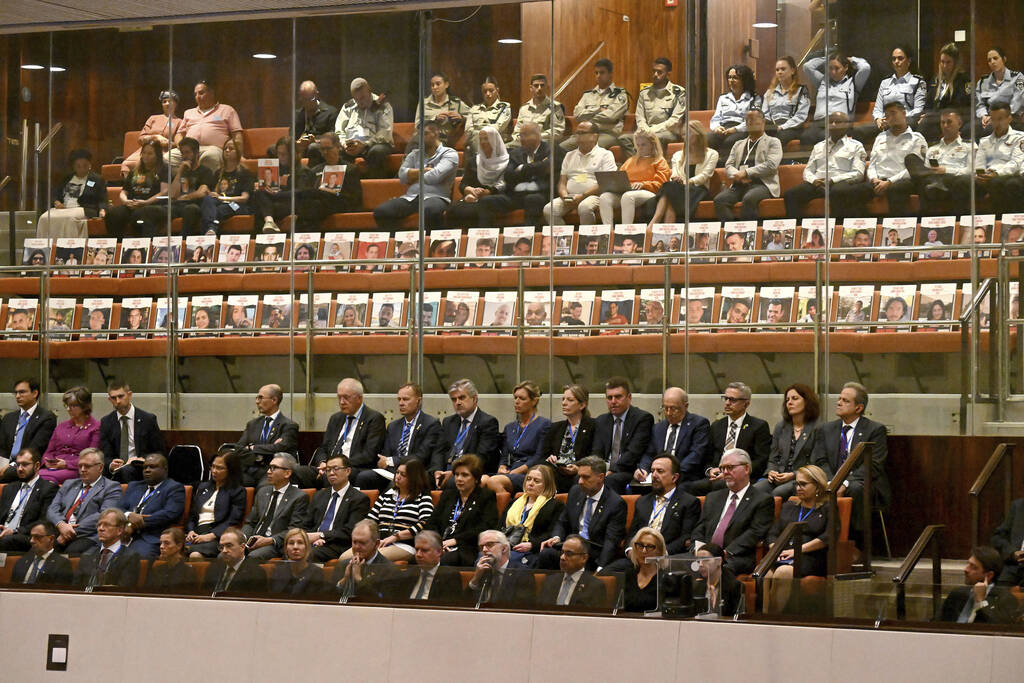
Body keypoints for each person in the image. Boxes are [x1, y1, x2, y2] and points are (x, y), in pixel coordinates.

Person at [812, 382, 890, 541]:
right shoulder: (825, 429)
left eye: (845, 400)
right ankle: (811, 540)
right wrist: (831, 482)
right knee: (802, 487)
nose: (839, 403)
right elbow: (820, 460)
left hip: (863, 482)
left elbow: (872, 465)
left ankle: (854, 543)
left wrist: (845, 483)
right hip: (831, 479)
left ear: (859, 408)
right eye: (839, 398)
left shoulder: (875, 430)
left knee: (853, 489)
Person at [692, 448, 774, 574]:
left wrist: (725, 553)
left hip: (735, 557)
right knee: (671, 566)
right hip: (703, 556)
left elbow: (755, 533)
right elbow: (700, 527)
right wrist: (698, 550)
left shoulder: (762, 500)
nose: (725, 472)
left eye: (730, 467)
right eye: (722, 468)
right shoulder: (713, 497)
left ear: (746, 469)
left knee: (716, 570)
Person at [539, 456, 626, 572]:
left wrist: (601, 567)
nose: (580, 481)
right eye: (579, 476)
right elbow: (562, 521)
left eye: (585, 477)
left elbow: (611, 541)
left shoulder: (615, 503)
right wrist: (556, 537)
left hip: (591, 554)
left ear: (600, 477)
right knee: (546, 554)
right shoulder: (575, 491)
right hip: (570, 547)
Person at [763, 465, 831, 613]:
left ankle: (774, 618)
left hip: (810, 556)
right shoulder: (789, 506)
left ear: (818, 486)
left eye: (803, 484)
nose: (798, 488)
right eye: (797, 484)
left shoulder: (827, 508)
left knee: (783, 572)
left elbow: (828, 537)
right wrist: (776, 549)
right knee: (764, 573)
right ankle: (763, 616)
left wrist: (797, 551)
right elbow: (772, 533)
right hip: (783, 553)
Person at [615, 455, 700, 571]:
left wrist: (660, 554)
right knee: (607, 573)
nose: (654, 475)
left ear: (674, 478)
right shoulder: (641, 501)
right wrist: (630, 551)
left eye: (660, 471)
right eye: (652, 471)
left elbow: (685, 538)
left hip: (665, 561)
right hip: (638, 558)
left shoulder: (688, 502)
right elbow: (632, 534)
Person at [845, 101, 928, 217]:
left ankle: (897, 227)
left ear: (904, 113)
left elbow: (915, 168)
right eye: (887, 116)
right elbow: (872, 164)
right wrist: (874, 179)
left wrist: (889, 182)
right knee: (852, 191)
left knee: (896, 189)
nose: (890, 118)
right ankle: (864, 227)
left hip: (902, 181)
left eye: (893, 113)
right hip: (878, 181)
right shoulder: (880, 137)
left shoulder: (916, 138)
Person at [373, 120, 458, 230]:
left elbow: (434, 177)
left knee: (429, 210)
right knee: (382, 211)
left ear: (436, 133)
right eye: (419, 134)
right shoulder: (414, 154)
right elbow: (402, 176)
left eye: (425, 134)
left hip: (436, 197)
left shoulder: (449, 153)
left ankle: (428, 244)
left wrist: (413, 175)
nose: (421, 138)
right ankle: (398, 241)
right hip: (412, 197)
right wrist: (424, 171)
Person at [783, 112, 867, 220]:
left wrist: (832, 180)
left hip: (839, 184)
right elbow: (808, 171)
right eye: (830, 122)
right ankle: (798, 230)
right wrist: (814, 181)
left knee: (839, 192)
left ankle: (836, 229)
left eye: (838, 122)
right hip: (817, 184)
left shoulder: (856, 146)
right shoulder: (818, 146)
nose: (833, 125)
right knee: (790, 194)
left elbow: (858, 173)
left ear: (847, 125)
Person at [308, 378, 386, 489]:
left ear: (359, 398)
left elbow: (369, 454)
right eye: (339, 397)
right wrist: (323, 463)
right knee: (296, 472)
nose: (341, 402)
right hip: (328, 466)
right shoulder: (336, 418)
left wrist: (336, 466)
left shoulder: (374, 418)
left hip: (353, 467)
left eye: (346, 397)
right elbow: (323, 448)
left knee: (331, 476)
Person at [424, 454, 499, 567]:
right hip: (440, 545)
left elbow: (485, 527)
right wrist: (436, 542)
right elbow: (432, 522)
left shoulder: (485, 496)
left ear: (476, 478)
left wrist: (456, 540)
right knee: (415, 559)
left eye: (465, 475)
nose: (459, 479)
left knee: (443, 561)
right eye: (457, 474)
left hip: (467, 547)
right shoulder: (448, 495)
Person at [353, 459, 434, 563]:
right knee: (344, 558)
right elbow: (370, 520)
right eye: (397, 473)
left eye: (403, 475)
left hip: (405, 544)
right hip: (380, 542)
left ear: (414, 477)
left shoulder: (422, 497)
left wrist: (396, 537)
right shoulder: (387, 495)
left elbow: (425, 523)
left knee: (370, 557)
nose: (398, 477)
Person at [45, 448, 122, 554]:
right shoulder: (69, 484)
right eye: (80, 466)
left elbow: (103, 516)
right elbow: (52, 509)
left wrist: (69, 532)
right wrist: (61, 524)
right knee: (38, 543)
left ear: (100, 467)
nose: (82, 469)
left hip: (87, 534)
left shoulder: (111, 487)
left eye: (87, 466)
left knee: (71, 552)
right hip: (60, 529)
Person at [714, 108, 783, 221]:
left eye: (753, 119)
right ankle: (732, 231)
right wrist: (737, 175)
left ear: (763, 122)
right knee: (719, 200)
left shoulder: (773, 142)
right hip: (739, 184)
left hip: (761, 184)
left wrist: (746, 173)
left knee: (749, 198)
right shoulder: (738, 144)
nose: (749, 122)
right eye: (747, 120)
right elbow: (728, 166)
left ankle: (748, 235)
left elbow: (771, 165)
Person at [543, 120, 617, 225]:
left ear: (594, 136)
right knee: (548, 209)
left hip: (594, 195)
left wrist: (583, 196)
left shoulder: (605, 155)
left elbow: (606, 182)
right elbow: (562, 182)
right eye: (577, 133)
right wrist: (564, 196)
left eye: (582, 133)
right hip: (570, 196)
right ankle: (563, 238)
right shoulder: (569, 155)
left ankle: (587, 239)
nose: (578, 136)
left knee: (584, 207)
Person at [484, 381, 551, 495]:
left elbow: (539, 457)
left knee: (494, 481)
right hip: (510, 471)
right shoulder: (510, 427)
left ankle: (507, 511)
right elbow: (505, 455)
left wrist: (515, 472)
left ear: (534, 401)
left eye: (522, 398)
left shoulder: (544, 425)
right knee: (481, 480)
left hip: (529, 474)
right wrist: (502, 466)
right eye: (515, 398)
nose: (517, 401)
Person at [430, 379, 501, 486]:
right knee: (420, 480)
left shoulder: (487, 422)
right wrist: (437, 470)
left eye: (462, 398)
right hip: (447, 469)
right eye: (454, 399)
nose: (457, 402)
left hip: (470, 472)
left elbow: (481, 457)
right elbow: (439, 450)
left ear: (474, 398)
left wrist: (456, 472)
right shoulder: (448, 422)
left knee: (452, 482)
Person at [646, 120, 718, 226]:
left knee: (670, 190)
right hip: (680, 188)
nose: (685, 137)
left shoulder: (712, 154)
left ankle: (655, 223)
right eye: (683, 134)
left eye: (688, 133)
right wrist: (677, 178)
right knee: (670, 187)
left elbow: (705, 176)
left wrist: (688, 182)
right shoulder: (677, 155)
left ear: (698, 134)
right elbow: (674, 173)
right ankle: (666, 226)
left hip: (699, 189)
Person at [591, 377, 654, 495]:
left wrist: (612, 470)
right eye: (609, 398)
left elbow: (633, 453)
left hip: (629, 470)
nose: (613, 401)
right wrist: (597, 470)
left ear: (629, 398)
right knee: (581, 479)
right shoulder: (601, 420)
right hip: (604, 470)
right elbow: (597, 451)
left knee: (610, 480)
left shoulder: (642, 418)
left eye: (618, 397)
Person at [239, 454, 309, 561]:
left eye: (274, 468)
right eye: (269, 467)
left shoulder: (299, 497)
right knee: (228, 553)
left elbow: (294, 530)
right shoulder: (263, 492)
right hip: (254, 540)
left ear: (287, 473)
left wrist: (270, 540)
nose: (268, 471)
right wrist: (242, 539)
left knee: (253, 557)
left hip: (276, 543)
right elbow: (250, 522)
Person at [905, 109, 976, 216]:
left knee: (960, 181)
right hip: (931, 181)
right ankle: (935, 185)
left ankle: (936, 188)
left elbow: (970, 171)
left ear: (959, 124)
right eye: (942, 122)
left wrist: (946, 170)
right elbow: (924, 173)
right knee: (911, 158)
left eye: (949, 122)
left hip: (953, 181)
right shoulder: (933, 148)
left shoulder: (969, 146)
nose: (945, 125)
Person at [756, 383, 821, 497]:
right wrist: (772, 471)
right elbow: (773, 458)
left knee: (779, 493)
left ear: (807, 401)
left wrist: (793, 475)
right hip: (779, 476)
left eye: (795, 398)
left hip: (802, 478)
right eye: (787, 400)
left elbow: (815, 464)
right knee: (755, 490)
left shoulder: (817, 428)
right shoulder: (781, 426)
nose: (789, 402)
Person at [636, 388, 711, 486]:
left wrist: (671, 473)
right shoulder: (658, 428)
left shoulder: (699, 424)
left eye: (673, 408)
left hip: (685, 478)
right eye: (665, 408)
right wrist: (643, 469)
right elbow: (649, 454)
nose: (668, 413)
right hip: (659, 478)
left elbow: (696, 454)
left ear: (686, 406)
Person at [853, 46, 926, 146]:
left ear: (908, 61)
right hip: (885, 123)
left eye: (900, 58)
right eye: (894, 59)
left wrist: (896, 120)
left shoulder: (918, 82)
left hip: (905, 123)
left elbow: (918, 110)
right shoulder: (885, 82)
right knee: (857, 131)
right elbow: (878, 108)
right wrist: (878, 119)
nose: (896, 61)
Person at [116, 454, 186, 558]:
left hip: (150, 536)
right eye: (145, 467)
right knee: (96, 551)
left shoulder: (174, 488)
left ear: (165, 469)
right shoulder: (134, 486)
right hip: (122, 534)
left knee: (134, 557)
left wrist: (135, 524)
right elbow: (118, 508)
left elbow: (169, 513)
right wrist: (128, 515)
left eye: (152, 467)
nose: (147, 470)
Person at [373, 382, 441, 489]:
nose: (401, 403)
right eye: (399, 399)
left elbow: (422, 456)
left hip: (414, 472)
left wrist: (391, 461)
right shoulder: (393, 426)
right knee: (364, 478)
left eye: (405, 399)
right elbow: (385, 455)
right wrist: (387, 462)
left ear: (418, 401)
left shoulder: (431, 424)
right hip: (392, 471)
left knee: (395, 484)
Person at [293, 131, 364, 232]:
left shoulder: (350, 169)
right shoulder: (315, 170)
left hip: (340, 203)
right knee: (306, 203)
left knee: (313, 206)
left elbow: (355, 198)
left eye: (328, 149)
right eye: (322, 149)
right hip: (319, 204)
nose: (325, 153)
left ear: (338, 148)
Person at [230, 384, 300, 486]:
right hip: (250, 468)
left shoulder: (289, 425)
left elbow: (281, 448)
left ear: (274, 400)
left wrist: (252, 448)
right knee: (229, 484)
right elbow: (239, 448)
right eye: (257, 398)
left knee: (264, 490)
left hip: (272, 471)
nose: (257, 401)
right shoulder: (252, 424)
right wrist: (259, 455)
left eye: (261, 398)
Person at [303, 454, 370, 562]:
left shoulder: (359, 499)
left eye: (335, 469)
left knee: (309, 554)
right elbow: (306, 523)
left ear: (348, 471)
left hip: (338, 545)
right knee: (288, 549)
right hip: (314, 542)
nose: (331, 473)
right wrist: (305, 538)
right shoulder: (319, 495)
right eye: (328, 470)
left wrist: (322, 536)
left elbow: (350, 531)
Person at [446, 126, 513, 228]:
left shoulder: (507, 159)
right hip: (474, 197)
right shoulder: (474, 161)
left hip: (497, 197)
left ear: (495, 140)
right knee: (453, 208)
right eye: (480, 139)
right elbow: (463, 184)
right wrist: (469, 190)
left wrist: (488, 192)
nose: (482, 142)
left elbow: (507, 183)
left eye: (486, 139)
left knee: (482, 206)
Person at [99, 381, 165, 484]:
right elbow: (105, 454)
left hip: (141, 467)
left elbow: (159, 451)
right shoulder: (106, 422)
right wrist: (111, 464)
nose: (118, 401)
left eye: (121, 396)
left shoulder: (147, 419)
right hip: (117, 470)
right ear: (109, 399)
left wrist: (144, 460)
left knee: (126, 471)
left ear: (129, 395)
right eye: (113, 398)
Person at [801, 52, 872, 148]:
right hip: (819, 122)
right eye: (830, 68)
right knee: (806, 137)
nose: (833, 72)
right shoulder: (822, 81)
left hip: (839, 123)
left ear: (846, 68)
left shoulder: (853, 83)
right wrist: (827, 58)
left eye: (837, 68)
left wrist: (851, 59)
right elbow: (807, 66)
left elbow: (866, 68)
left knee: (824, 137)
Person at [598, 130, 670, 225]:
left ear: (652, 145)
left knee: (628, 196)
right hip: (627, 190)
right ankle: (608, 232)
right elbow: (619, 177)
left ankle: (626, 231)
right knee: (605, 197)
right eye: (638, 145)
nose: (640, 148)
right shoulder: (630, 161)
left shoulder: (659, 161)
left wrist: (643, 184)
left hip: (649, 192)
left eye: (643, 145)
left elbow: (662, 184)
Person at [171, 80, 244, 173]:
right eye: (195, 94)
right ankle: (183, 183)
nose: (197, 96)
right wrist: (182, 147)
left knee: (210, 157)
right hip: (189, 150)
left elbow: (237, 134)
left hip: (213, 148)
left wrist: (239, 155)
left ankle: (205, 185)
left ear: (211, 93)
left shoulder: (227, 110)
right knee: (167, 159)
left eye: (201, 93)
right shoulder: (188, 112)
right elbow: (179, 134)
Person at [499, 464, 564, 567]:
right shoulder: (514, 502)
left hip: (532, 551)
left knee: (511, 563)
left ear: (547, 484)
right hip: (507, 546)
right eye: (528, 479)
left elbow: (551, 533)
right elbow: (499, 527)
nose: (530, 483)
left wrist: (532, 545)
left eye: (536, 481)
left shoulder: (555, 505)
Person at [621, 57, 687, 155]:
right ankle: (637, 165)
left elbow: (674, 121)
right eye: (654, 71)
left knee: (657, 138)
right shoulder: (645, 93)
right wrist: (644, 130)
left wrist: (651, 131)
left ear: (668, 74)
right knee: (624, 139)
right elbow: (640, 117)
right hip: (645, 131)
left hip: (667, 132)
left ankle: (654, 166)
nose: (655, 75)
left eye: (659, 72)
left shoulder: (678, 92)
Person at [185, 452, 246, 559]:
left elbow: (233, 520)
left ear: (230, 470)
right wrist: (191, 531)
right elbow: (192, 515)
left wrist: (211, 535)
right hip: (196, 534)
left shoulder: (237, 491)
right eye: (213, 466)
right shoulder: (203, 487)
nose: (214, 471)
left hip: (218, 536)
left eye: (219, 468)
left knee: (194, 555)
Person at [36, 149, 107, 239]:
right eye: (78, 166)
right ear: (73, 166)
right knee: (44, 218)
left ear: (89, 165)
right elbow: (55, 194)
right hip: (63, 208)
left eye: (85, 165)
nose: (82, 169)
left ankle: (68, 248)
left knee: (69, 218)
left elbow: (102, 198)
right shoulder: (67, 178)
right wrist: (56, 202)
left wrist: (102, 209)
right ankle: (47, 249)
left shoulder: (96, 179)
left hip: (83, 208)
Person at [104, 140, 169, 237]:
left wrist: (146, 202)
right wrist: (125, 201)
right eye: (144, 153)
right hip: (133, 203)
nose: (146, 156)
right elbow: (124, 191)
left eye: (150, 153)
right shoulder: (135, 170)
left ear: (158, 156)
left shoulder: (164, 169)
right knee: (113, 213)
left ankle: (144, 246)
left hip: (153, 205)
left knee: (141, 214)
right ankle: (119, 245)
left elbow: (165, 192)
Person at [936, 546, 1019, 623]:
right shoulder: (957, 593)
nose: (966, 569)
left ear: (989, 575)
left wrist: (980, 601)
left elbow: (998, 629)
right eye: (968, 564)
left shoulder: (1005, 598)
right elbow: (937, 623)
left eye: (973, 567)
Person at [505, 121, 564, 227]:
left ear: (538, 135)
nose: (522, 139)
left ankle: (529, 237)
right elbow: (508, 175)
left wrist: (522, 168)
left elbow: (548, 167)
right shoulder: (515, 153)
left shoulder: (552, 149)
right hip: (518, 194)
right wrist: (538, 167)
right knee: (488, 201)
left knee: (532, 199)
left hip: (543, 193)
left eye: (526, 135)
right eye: (521, 135)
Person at [541, 384, 597, 493]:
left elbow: (595, 455)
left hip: (579, 471)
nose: (564, 403)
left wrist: (578, 468)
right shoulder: (555, 427)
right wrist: (550, 458)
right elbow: (543, 455)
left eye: (570, 400)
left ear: (582, 405)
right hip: (557, 470)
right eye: (563, 399)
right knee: (542, 471)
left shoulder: (593, 426)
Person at [562, 58, 628, 151]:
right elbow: (577, 115)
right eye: (596, 73)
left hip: (607, 134)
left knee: (590, 147)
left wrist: (587, 118)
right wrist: (598, 110)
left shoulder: (620, 94)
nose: (598, 76)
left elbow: (611, 116)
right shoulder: (588, 95)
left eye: (602, 73)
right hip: (584, 133)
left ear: (610, 74)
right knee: (561, 148)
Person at [0, 448, 58, 551]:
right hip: (3, 532)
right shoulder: (9, 488)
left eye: (25, 464)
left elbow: (43, 521)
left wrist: (14, 531)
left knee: (6, 540)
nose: (20, 469)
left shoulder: (48, 489)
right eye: (18, 465)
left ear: (36, 466)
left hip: (27, 535)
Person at [40, 387, 100, 486]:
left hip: (77, 468)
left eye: (73, 406)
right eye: (67, 405)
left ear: (85, 406)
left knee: (46, 480)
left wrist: (67, 464)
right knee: (32, 476)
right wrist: (47, 461)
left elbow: (91, 457)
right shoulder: (61, 426)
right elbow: (49, 451)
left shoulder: (95, 428)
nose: (68, 409)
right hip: (54, 467)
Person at [972, 103, 1024, 215]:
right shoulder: (984, 141)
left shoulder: (1019, 137)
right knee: (963, 182)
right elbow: (979, 163)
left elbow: (1015, 163)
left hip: (1009, 176)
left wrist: (995, 173)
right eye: (994, 119)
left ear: (1009, 118)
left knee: (1001, 183)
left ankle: (1000, 221)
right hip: (986, 176)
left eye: (1000, 119)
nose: (997, 123)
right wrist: (979, 174)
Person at [0, 378, 56, 481]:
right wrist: (2, 466)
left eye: (22, 392)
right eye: (16, 393)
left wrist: (12, 465)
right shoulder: (9, 418)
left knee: (9, 474)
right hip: (6, 464)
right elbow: (2, 447)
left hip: (26, 464)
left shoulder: (46, 417)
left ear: (35, 393)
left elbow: (35, 448)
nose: (17, 396)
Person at [73, 508, 142, 589]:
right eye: (99, 525)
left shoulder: (130, 557)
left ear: (119, 530)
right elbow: (76, 587)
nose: (100, 528)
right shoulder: (88, 554)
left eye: (106, 525)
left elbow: (125, 589)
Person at [387, 530, 463, 602]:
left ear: (439, 552)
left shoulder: (450, 576)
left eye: (424, 550)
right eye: (417, 549)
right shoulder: (408, 575)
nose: (418, 555)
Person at [120, 90, 183, 177]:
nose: (167, 104)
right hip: (145, 150)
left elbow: (178, 144)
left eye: (170, 101)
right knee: (126, 164)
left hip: (164, 152)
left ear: (176, 104)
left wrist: (167, 143)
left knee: (159, 163)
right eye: (164, 102)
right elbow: (141, 138)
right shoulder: (153, 118)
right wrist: (155, 137)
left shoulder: (180, 122)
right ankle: (131, 188)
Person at [464, 529, 536, 605]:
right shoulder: (482, 571)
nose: (484, 550)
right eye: (481, 547)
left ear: (504, 548)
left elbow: (523, 607)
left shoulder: (521, 572)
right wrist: (476, 578)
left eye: (490, 544)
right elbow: (463, 604)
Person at [198, 138, 254, 235]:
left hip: (237, 205)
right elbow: (213, 196)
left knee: (219, 210)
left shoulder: (245, 173)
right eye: (225, 148)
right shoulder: (218, 173)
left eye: (231, 148)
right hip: (221, 203)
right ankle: (211, 231)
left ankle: (211, 230)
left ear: (238, 152)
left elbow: (244, 198)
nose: (227, 150)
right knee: (207, 200)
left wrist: (222, 198)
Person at [707, 64, 762, 160]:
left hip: (742, 129)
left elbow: (753, 122)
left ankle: (722, 167)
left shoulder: (754, 99)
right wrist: (716, 128)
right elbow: (716, 118)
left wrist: (735, 129)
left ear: (744, 80)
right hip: (724, 128)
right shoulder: (723, 98)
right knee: (706, 139)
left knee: (729, 142)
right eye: (729, 77)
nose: (731, 81)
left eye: (735, 78)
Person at [919, 43, 972, 141]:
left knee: (927, 123)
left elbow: (960, 105)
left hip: (952, 118)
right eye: (942, 62)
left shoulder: (964, 80)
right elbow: (928, 103)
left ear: (955, 63)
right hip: (934, 118)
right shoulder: (936, 80)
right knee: (916, 121)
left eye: (948, 62)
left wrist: (931, 115)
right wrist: (925, 114)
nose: (944, 65)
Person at [537, 534, 607, 608]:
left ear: (584, 558)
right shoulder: (549, 581)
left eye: (569, 554)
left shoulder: (595, 586)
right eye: (562, 552)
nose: (562, 557)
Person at [331, 519, 395, 598]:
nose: (357, 547)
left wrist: (359, 579)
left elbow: (382, 601)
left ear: (376, 544)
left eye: (362, 543)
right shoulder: (342, 566)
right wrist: (343, 581)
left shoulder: (389, 570)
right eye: (354, 542)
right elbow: (328, 598)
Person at [168, 137, 214, 236]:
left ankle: (182, 242)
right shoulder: (180, 172)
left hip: (195, 206)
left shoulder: (205, 171)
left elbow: (202, 192)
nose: (184, 156)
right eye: (182, 153)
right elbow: (172, 195)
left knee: (190, 209)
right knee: (152, 210)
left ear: (196, 153)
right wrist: (180, 171)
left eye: (187, 152)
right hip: (178, 206)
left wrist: (184, 197)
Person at [201, 527, 268, 594]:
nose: (224, 551)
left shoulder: (256, 573)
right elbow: (203, 596)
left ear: (242, 547)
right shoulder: (213, 568)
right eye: (221, 547)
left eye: (229, 546)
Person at [763, 56, 811, 149]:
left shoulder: (801, 91)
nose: (779, 72)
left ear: (792, 71)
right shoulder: (769, 93)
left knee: (776, 140)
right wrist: (771, 127)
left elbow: (801, 116)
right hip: (772, 127)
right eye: (777, 70)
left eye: (783, 69)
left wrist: (782, 127)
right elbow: (764, 114)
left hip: (791, 127)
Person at [620, 527, 671, 612]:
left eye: (650, 546)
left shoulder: (666, 579)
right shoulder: (628, 574)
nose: (644, 551)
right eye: (640, 545)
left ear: (659, 551)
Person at [975, 47, 1024, 134]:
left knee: (990, 129)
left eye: (995, 58)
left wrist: (996, 117)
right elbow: (979, 104)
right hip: (988, 119)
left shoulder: (1017, 78)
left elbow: (1017, 102)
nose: (992, 62)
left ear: (1004, 59)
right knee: (969, 129)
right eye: (989, 60)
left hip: (1010, 118)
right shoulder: (983, 81)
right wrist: (984, 115)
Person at [251, 136, 295, 233]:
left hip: (287, 202)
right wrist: (258, 186)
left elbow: (300, 193)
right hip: (270, 202)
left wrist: (279, 194)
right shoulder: (273, 167)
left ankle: (264, 234)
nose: (281, 157)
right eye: (279, 154)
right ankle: (269, 223)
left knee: (261, 208)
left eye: (284, 154)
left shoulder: (299, 169)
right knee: (259, 193)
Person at [265, 527, 325, 597]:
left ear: (307, 547)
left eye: (300, 543)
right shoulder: (277, 570)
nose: (295, 547)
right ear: (286, 548)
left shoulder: (316, 573)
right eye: (291, 543)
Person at [510, 73, 566, 146]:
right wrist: (519, 138)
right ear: (531, 88)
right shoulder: (524, 109)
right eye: (536, 86)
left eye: (542, 85)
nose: (539, 88)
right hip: (522, 144)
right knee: (506, 149)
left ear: (547, 88)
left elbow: (558, 131)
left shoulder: (555, 107)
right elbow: (517, 130)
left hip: (542, 144)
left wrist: (535, 137)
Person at [10, 521, 73, 585]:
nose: (31, 541)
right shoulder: (21, 562)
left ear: (51, 539)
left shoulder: (62, 564)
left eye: (37, 537)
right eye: (31, 536)